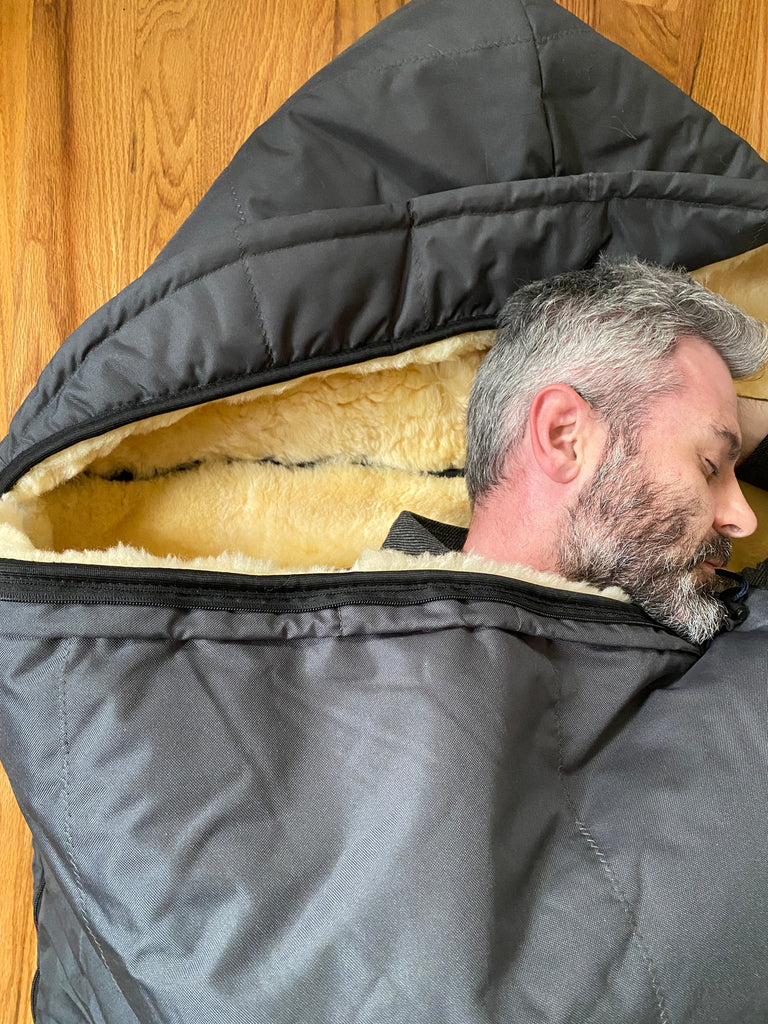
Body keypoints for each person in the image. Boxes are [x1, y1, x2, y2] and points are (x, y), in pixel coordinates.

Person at [385, 259, 768, 644]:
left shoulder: (721, 624)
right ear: (563, 437)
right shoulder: (345, 657)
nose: (744, 520)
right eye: (710, 466)